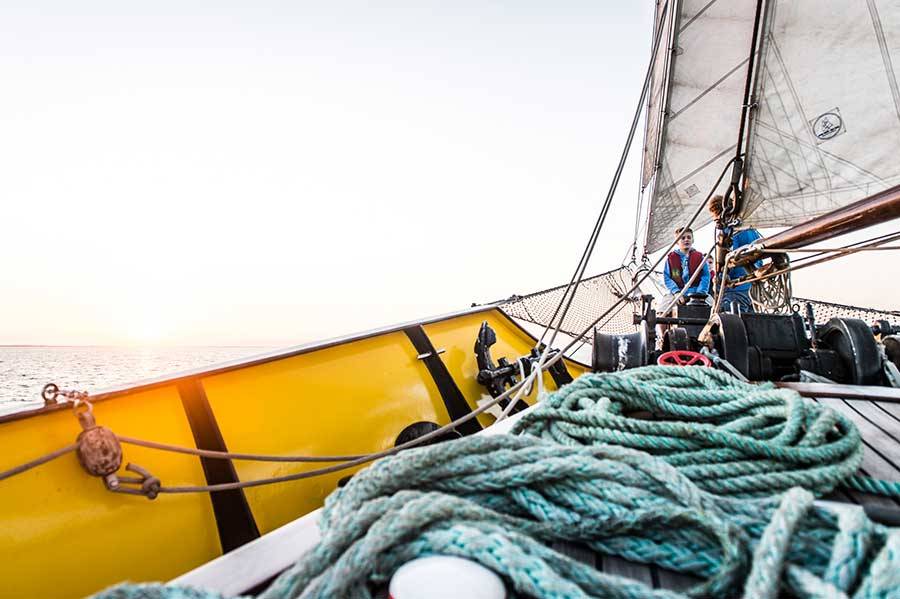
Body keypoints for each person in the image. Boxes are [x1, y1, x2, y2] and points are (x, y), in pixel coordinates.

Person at [708, 194, 763, 313]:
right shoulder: (752, 230)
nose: (717, 224)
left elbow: (728, 261)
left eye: (716, 220)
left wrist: (718, 279)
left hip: (735, 290)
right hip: (753, 290)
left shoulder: (729, 231)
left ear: (722, 214)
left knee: (726, 320)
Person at [661, 226, 710, 312]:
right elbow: (667, 277)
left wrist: (700, 293)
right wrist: (676, 292)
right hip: (677, 292)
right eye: (683, 238)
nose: (686, 240)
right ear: (677, 241)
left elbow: (705, 276)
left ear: (693, 240)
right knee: (663, 309)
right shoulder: (671, 259)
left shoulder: (700, 257)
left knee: (714, 307)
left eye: (689, 237)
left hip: (697, 292)